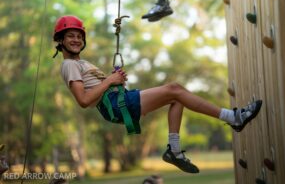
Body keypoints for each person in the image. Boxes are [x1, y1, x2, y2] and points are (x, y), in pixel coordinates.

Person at [53, 15, 263, 174]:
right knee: (175, 89)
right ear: (60, 40)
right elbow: (83, 101)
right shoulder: (69, 65)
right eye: (71, 36)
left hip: (118, 100)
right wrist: (110, 81)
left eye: (79, 36)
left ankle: (175, 150)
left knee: (176, 97)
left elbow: (94, 89)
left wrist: (113, 80)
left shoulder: (80, 63)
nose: (76, 39)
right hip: (118, 105)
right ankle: (233, 117)